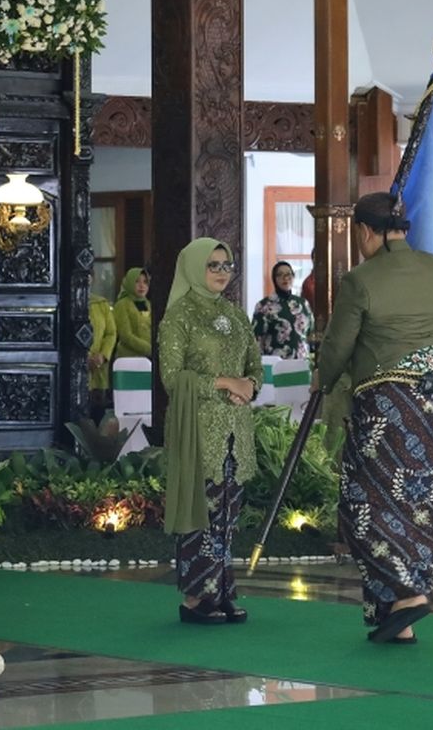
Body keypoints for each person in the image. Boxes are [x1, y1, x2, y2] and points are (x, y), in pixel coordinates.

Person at [316, 191, 433, 645]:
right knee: (419, 502)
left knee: (364, 504)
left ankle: (408, 595)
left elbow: (338, 345)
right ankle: (399, 617)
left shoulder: (360, 279)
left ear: (365, 232)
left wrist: (324, 380)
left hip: (386, 403)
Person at [159, 239, 263, 626]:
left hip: (235, 430)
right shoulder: (178, 318)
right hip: (198, 430)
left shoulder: (236, 316)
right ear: (193, 268)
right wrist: (225, 383)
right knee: (201, 512)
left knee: (228, 515)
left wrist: (249, 384)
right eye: (213, 265)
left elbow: (255, 365)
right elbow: (172, 378)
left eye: (227, 265)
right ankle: (195, 597)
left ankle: (221, 591)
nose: (222, 272)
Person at [251, 261, 314, 359]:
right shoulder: (264, 306)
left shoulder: (303, 304)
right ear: (274, 279)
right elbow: (256, 339)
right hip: (276, 364)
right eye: (280, 275)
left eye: (288, 274)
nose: (285, 278)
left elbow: (309, 332)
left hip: (301, 362)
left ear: (293, 277)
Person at [87, 273, 117, 421]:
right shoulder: (67, 301)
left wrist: (103, 355)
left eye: (88, 275)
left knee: (97, 415)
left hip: (99, 367)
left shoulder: (101, 304)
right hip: (78, 369)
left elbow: (111, 333)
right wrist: (85, 359)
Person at [113, 267, 153, 362]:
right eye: (137, 281)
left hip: (149, 359)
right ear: (130, 283)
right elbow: (126, 335)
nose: (141, 286)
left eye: (145, 282)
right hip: (128, 359)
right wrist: (150, 349)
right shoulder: (122, 304)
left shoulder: (149, 304)